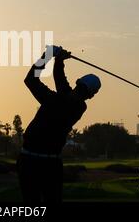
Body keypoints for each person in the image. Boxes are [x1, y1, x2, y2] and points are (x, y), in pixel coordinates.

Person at [17, 45, 101, 202]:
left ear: (78, 84)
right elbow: (62, 84)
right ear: (90, 96)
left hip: (30, 161)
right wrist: (58, 61)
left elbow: (31, 79)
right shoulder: (79, 107)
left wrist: (48, 56)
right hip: (51, 164)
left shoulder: (53, 100)